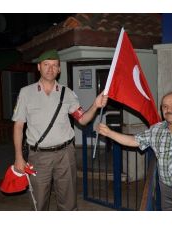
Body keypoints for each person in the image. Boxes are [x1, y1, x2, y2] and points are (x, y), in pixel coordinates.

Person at [12, 49, 108, 211]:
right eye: (46, 64)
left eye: (54, 65)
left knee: (68, 202)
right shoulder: (26, 93)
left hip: (65, 155)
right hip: (38, 156)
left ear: (59, 69)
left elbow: (83, 119)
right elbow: (18, 126)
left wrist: (95, 105)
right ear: (39, 67)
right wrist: (18, 157)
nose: (50, 68)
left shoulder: (67, 93)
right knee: (39, 202)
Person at [97, 91, 172, 210]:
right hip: (167, 192)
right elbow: (133, 140)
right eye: (165, 106)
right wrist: (109, 133)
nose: (169, 109)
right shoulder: (156, 129)